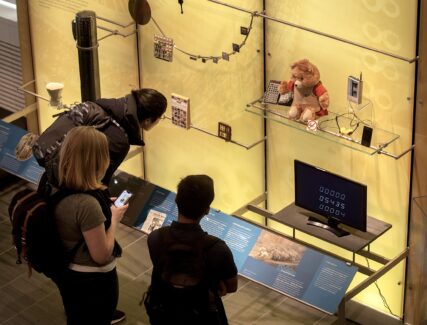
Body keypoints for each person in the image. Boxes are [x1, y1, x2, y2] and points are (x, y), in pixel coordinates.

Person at [52, 126, 128, 325]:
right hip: (92, 284)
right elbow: (101, 256)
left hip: (69, 276)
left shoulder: (57, 187)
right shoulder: (87, 204)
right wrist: (114, 219)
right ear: (97, 160)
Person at [146, 175, 238, 325]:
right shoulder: (219, 249)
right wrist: (216, 283)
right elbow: (232, 286)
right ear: (207, 210)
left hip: (164, 314)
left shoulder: (155, 238)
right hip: (203, 316)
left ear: (176, 201)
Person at [33, 88, 167, 188]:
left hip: (49, 174)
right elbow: (98, 182)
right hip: (67, 189)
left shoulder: (96, 107)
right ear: (148, 120)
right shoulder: (120, 141)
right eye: (160, 117)